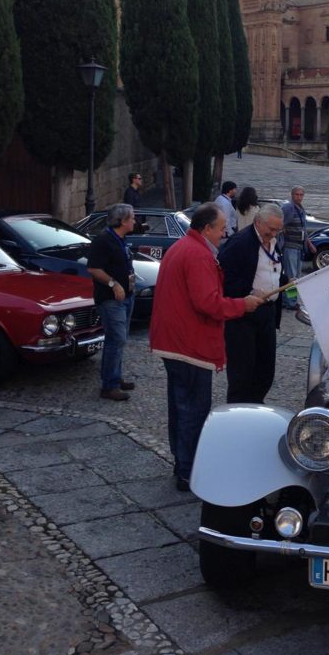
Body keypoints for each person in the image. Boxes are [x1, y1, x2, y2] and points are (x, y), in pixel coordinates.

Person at [149, 203, 262, 491]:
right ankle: (189, 471)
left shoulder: (183, 247)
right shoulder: (197, 255)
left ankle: (182, 464)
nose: (224, 234)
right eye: (221, 228)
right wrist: (242, 305)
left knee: (180, 406)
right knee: (193, 411)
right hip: (188, 346)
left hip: (174, 342)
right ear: (207, 228)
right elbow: (208, 303)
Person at [218, 203, 284, 404]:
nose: (273, 234)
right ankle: (238, 413)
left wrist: (285, 281)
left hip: (267, 314)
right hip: (244, 316)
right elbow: (224, 280)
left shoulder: (271, 241)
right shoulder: (241, 242)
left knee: (265, 370)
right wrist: (247, 294)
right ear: (258, 222)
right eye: (270, 229)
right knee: (242, 373)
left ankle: (255, 406)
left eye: (277, 230)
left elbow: (271, 269)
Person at [86, 203, 137, 402]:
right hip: (110, 299)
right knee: (116, 340)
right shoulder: (103, 240)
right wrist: (113, 284)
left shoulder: (121, 239)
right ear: (122, 221)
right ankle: (109, 385)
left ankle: (115, 376)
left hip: (127, 296)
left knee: (120, 339)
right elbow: (93, 269)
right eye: (132, 218)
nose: (135, 221)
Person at [280, 186, 317, 308]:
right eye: (297, 194)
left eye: (301, 195)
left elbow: (303, 229)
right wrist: (283, 232)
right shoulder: (288, 207)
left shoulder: (300, 208)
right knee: (291, 276)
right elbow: (279, 223)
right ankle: (290, 302)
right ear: (292, 195)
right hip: (290, 246)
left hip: (299, 247)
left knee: (296, 276)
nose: (299, 197)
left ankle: (291, 300)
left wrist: (309, 243)